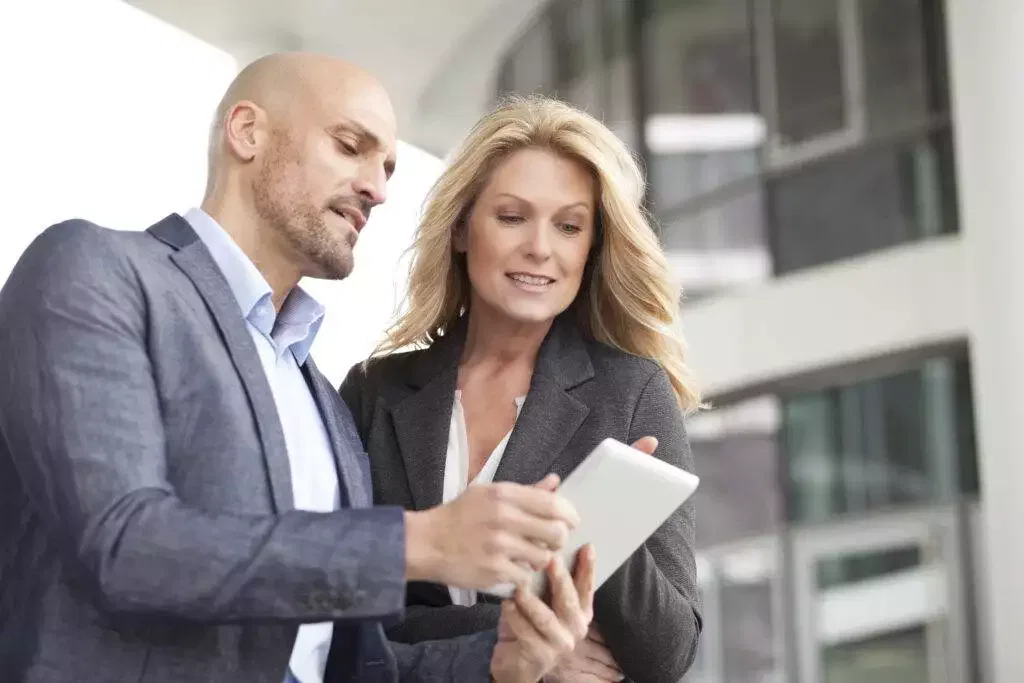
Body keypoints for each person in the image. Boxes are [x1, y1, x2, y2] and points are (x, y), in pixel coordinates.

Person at [0, 53, 596, 683]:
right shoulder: (94, 269)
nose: (378, 188)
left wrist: (500, 661)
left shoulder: (327, 406)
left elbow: (350, 663)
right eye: (350, 146)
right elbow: (125, 546)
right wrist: (419, 543)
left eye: (388, 166)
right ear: (247, 132)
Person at [339, 95, 704, 683]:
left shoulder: (632, 391)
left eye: (569, 225)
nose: (540, 247)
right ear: (461, 228)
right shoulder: (374, 392)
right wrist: (520, 644)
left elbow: (667, 654)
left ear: (592, 248)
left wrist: (598, 522)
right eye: (512, 216)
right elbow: (345, 611)